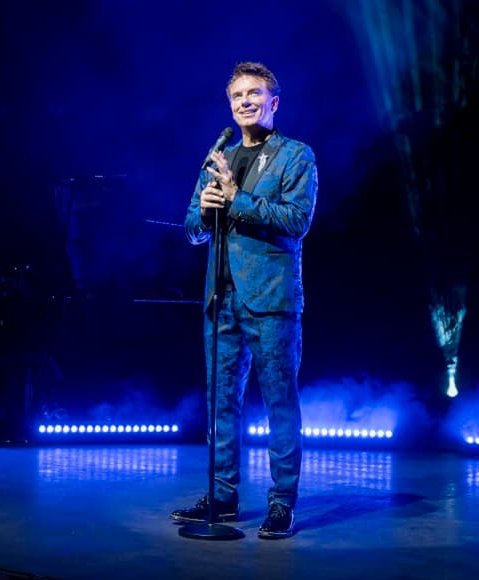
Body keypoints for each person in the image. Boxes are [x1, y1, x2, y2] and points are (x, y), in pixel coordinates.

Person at [171, 61, 318, 539]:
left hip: (271, 300)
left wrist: (237, 200)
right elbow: (193, 227)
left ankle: (282, 503)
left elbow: (297, 220)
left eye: (255, 93)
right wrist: (207, 209)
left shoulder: (296, 156)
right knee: (221, 405)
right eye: (237, 96)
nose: (245, 102)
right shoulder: (219, 155)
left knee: (280, 404)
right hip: (221, 298)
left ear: (274, 101)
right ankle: (223, 496)